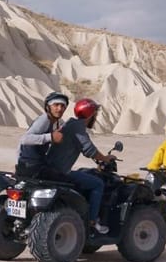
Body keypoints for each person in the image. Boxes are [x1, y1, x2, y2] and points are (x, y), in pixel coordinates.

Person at [43, 98, 116, 234]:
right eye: (95, 114)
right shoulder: (78, 127)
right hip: (61, 172)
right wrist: (106, 158)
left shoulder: (70, 124)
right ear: (90, 115)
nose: (95, 117)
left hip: (51, 169)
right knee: (98, 184)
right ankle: (92, 222)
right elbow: (90, 150)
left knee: (83, 174)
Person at [15, 92, 69, 178]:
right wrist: (50, 137)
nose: (59, 109)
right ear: (48, 107)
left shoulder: (57, 122)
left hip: (35, 165)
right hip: (31, 167)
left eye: (63, 106)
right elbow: (25, 139)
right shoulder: (45, 119)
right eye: (56, 105)